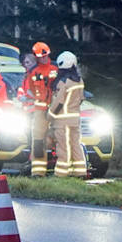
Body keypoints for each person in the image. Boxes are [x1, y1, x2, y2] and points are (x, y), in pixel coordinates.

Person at [20, 43, 57, 176]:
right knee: (38, 140)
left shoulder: (55, 68)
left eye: (44, 56)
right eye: (40, 57)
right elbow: (30, 90)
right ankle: (37, 170)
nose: (42, 59)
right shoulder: (34, 72)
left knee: (58, 138)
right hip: (39, 110)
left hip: (55, 110)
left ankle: (57, 166)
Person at [48, 50, 87, 178]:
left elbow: (58, 102)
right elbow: (81, 99)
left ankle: (61, 174)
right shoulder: (79, 81)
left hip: (61, 121)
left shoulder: (62, 82)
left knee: (63, 147)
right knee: (76, 145)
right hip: (75, 120)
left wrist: (50, 116)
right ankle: (80, 171)